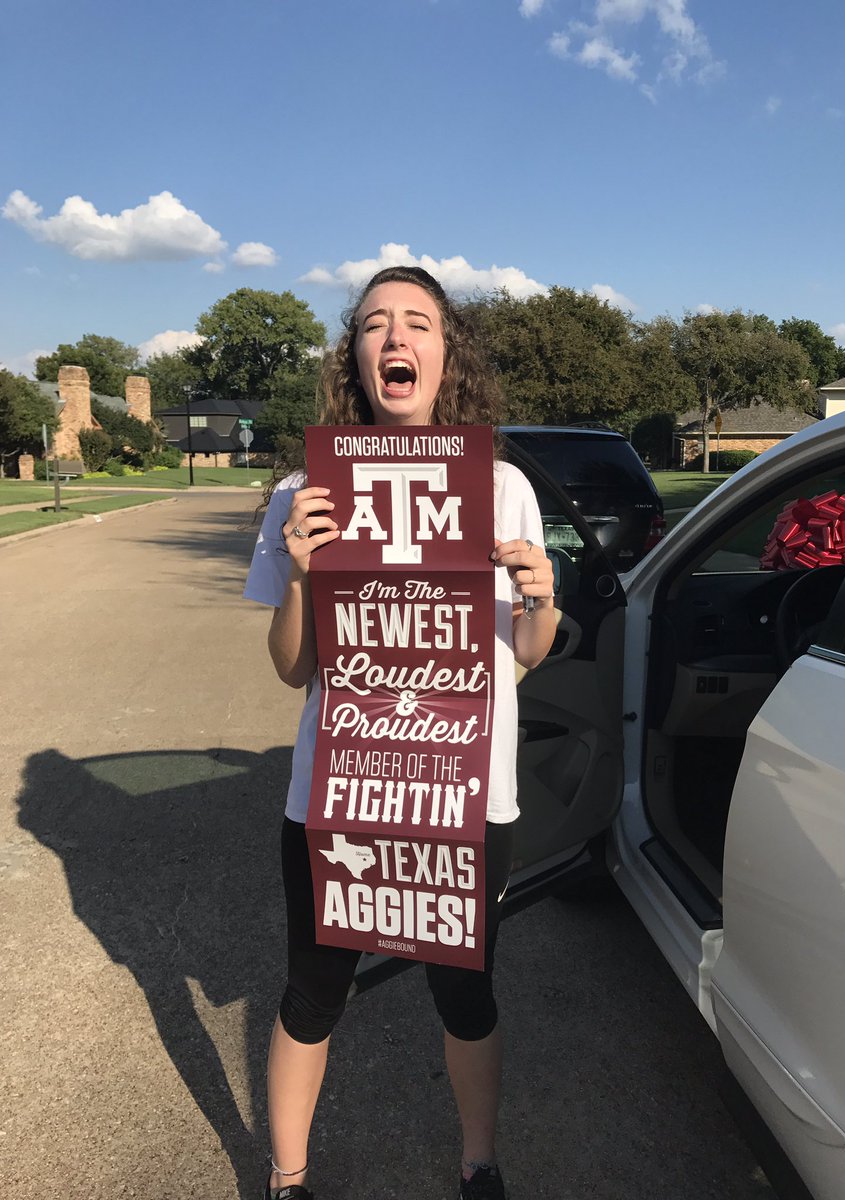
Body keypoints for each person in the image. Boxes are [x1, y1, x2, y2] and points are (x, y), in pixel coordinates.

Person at [244, 265, 556, 1200]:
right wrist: (301, 573)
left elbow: (526, 656)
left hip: (464, 798)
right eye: (375, 323)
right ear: (357, 356)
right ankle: (288, 1177)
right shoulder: (306, 491)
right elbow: (294, 668)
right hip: (337, 793)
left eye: (417, 322)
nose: (395, 338)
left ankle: (479, 1166)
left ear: (444, 352)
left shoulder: (501, 487)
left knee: (465, 995)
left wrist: (540, 596)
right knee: (311, 996)